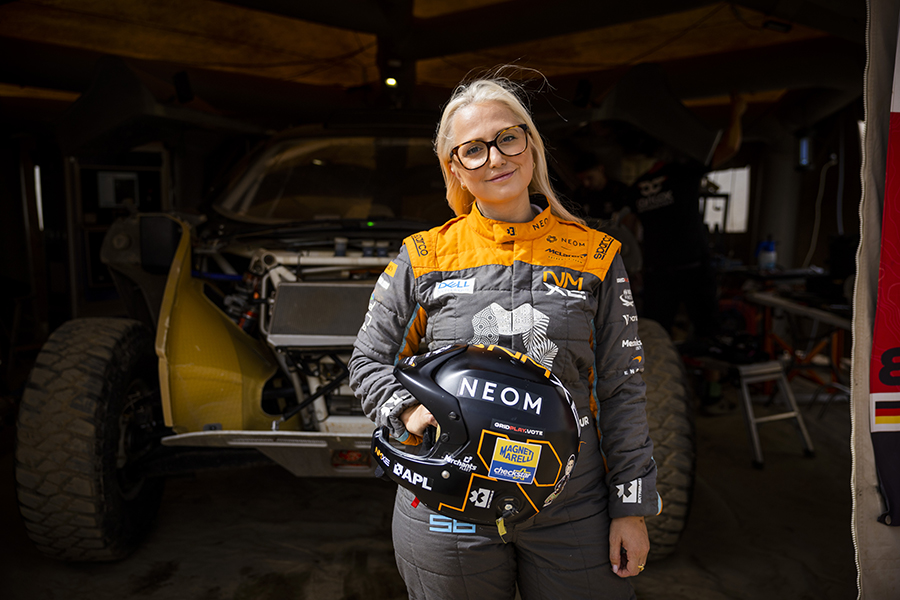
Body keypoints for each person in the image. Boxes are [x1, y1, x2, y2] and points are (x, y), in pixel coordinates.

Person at [349, 74, 658, 600]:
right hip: (448, 502)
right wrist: (407, 409)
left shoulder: (596, 256)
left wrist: (631, 507)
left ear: (531, 145)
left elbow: (622, 389)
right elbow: (368, 359)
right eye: (473, 150)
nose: (495, 158)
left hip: (573, 505)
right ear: (455, 170)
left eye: (507, 138)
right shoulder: (425, 256)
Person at [623, 94, 748, 340]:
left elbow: (730, 147)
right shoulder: (636, 188)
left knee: (702, 333)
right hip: (664, 272)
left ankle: (706, 376)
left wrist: (736, 112)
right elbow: (629, 227)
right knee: (659, 334)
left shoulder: (680, 172)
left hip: (687, 268)